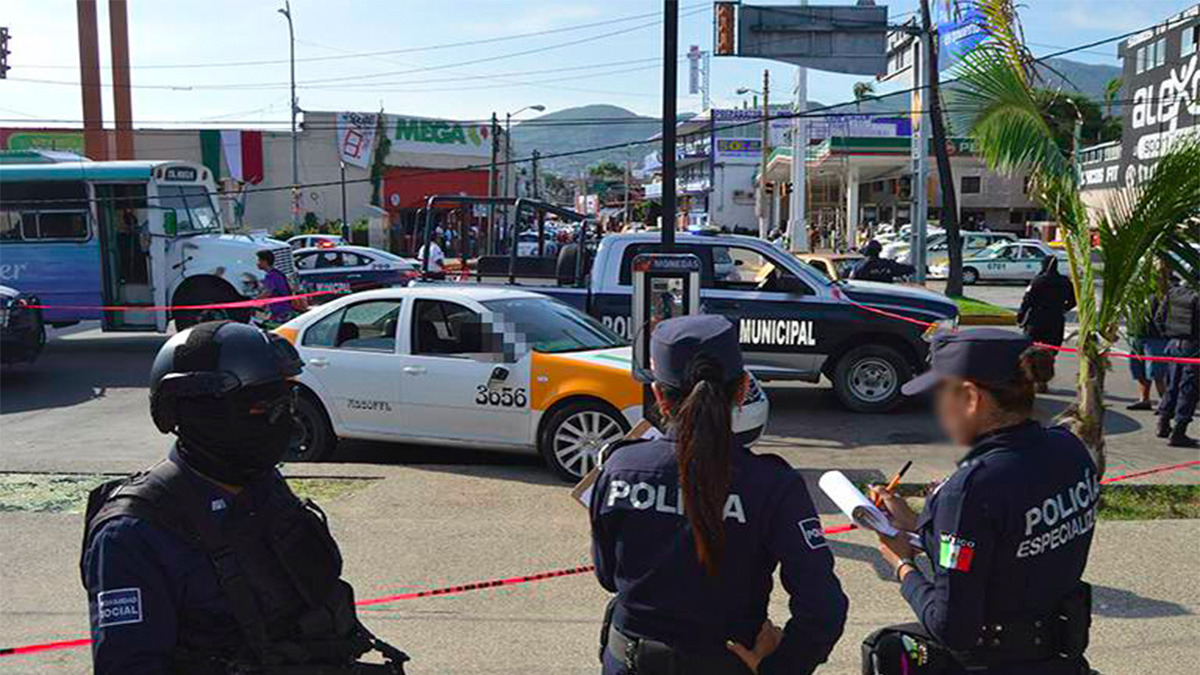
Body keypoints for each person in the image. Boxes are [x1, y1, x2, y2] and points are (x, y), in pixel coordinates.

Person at [81, 321, 408, 675]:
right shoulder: (134, 533)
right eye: (260, 407)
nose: (281, 419)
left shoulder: (261, 485)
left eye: (286, 402)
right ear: (195, 412)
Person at [590, 315, 848, 675]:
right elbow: (823, 608)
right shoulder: (772, 485)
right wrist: (780, 667)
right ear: (742, 390)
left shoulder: (619, 468)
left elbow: (607, 575)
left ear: (659, 396)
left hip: (630, 663)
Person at [863, 329, 1097, 675]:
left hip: (994, 661)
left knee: (883, 648)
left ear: (971, 397)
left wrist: (902, 565)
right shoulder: (1069, 449)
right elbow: (1006, 541)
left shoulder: (972, 489)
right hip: (1059, 656)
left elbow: (952, 628)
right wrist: (917, 524)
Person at [1016, 256, 1076, 392]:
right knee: (1051, 352)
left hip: (1037, 320)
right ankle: (1043, 380)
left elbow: (1027, 300)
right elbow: (1073, 301)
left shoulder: (1038, 281)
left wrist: (1020, 316)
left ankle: (1033, 380)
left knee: (1031, 350)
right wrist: (1061, 309)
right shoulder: (1065, 281)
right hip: (1056, 320)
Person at [1155, 279, 1198, 447]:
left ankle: (1163, 424)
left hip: (1174, 344)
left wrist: (1169, 336)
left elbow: (1159, 318)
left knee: (1172, 386)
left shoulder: (1173, 292)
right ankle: (1179, 432)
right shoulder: (1196, 296)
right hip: (1194, 347)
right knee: (1188, 390)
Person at [1127, 291, 1168, 410]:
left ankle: (1164, 401)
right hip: (1136, 333)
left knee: (1157, 372)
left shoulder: (1165, 288)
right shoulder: (1135, 287)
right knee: (1138, 369)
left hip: (1155, 336)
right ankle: (1144, 399)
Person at [256, 249, 295, 327]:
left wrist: (255, 301)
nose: (257, 263)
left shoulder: (271, 276)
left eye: (259, 261)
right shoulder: (277, 273)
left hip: (280, 310)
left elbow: (268, 292)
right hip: (285, 308)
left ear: (265, 261)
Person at [851, 240, 916, 283]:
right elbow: (909, 269)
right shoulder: (888, 264)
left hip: (865, 299)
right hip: (886, 297)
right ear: (880, 250)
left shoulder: (858, 266)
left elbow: (852, 281)